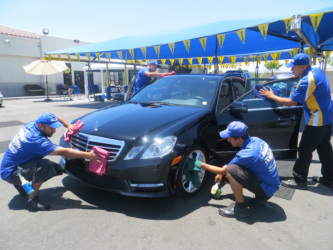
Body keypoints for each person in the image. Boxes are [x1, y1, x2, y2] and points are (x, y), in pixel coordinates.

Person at [259, 53, 333, 190]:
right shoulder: (315, 70)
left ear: (303, 66)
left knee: (305, 149)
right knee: (324, 149)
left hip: (318, 120)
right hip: (328, 117)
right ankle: (329, 178)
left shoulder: (308, 81)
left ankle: (299, 179)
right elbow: (307, 81)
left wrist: (272, 96)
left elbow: (290, 102)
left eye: (294, 67)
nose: (291, 70)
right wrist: (297, 77)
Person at [0, 113, 101, 211]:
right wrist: (88, 155)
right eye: (51, 128)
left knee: (54, 167)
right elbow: (65, 151)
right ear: (41, 126)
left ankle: (22, 187)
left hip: (10, 167)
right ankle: (31, 200)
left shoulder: (33, 124)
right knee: (45, 167)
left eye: (55, 127)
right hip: (11, 173)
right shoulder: (37, 141)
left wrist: (68, 125)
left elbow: (54, 116)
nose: (54, 131)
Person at [186, 121, 280, 218]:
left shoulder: (248, 154)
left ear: (239, 139)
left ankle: (240, 209)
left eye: (230, 138)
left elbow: (225, 170)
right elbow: (231, 165)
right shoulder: (256, 141)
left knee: (231, 171)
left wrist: (199, 164)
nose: (228, 140)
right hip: (271, 184)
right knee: (231, 170)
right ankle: (259, 199)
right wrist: (220, 175)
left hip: (267, 189)